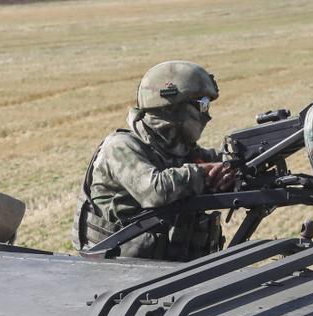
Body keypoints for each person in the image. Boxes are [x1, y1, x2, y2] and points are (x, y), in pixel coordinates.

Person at [76, 60, 236, 260]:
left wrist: (235, 165)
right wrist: (203, 173)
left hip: (159, 267)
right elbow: (154, 191)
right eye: (202, 105)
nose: (207, 114)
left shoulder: (175, 146)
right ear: (172, 107)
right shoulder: (120, 146)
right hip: (118, 268)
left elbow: (213, 161)